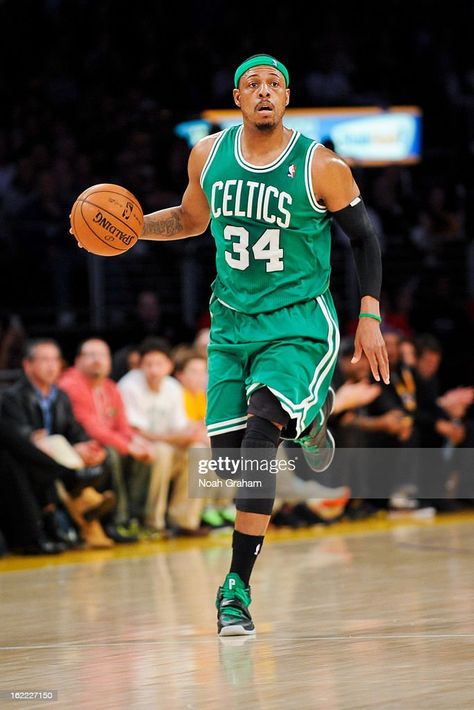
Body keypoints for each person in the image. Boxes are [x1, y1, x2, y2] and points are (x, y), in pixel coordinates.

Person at [73, 55, 389, 635]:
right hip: (231, 324)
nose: (264, 92)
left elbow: (365, 238)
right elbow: (192, 220)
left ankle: (236, 586)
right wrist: (130, 227)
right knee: (231, 463)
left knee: (262, 433)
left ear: (287, 97)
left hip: (297, 322)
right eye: (253, 85)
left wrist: (369, 313)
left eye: (274, 84)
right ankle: (311, 418)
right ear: (237, 98)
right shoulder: (208, 155)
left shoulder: (322, 167)